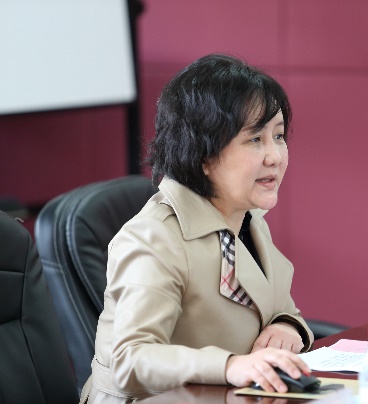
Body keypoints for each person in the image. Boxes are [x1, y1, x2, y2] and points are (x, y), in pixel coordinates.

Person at [80, 54, 314, 403]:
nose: (275, 156)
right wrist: (230, 366)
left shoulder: (247, 219)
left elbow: (279, 307)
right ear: (204, 154)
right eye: (255, 139)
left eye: (278, 136)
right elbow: (129, 360)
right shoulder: (154, 238)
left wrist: (286, 327)